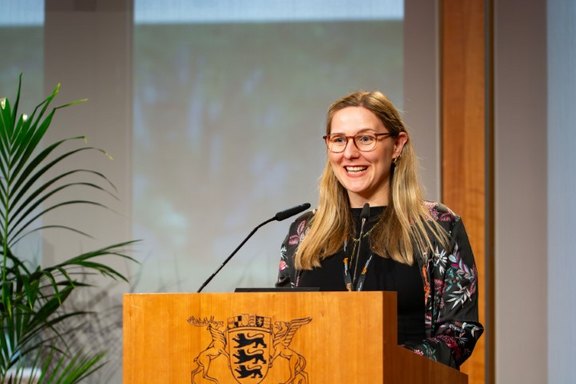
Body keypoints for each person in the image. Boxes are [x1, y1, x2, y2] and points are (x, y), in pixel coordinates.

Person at [275, 90, 483, 369]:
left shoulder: (438, 225)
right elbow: (279, 323)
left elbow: (459, 333)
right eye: (338, 140)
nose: (350, 153)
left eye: (365, 138)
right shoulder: (304, 232)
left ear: (397, 145)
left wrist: (379, 361)